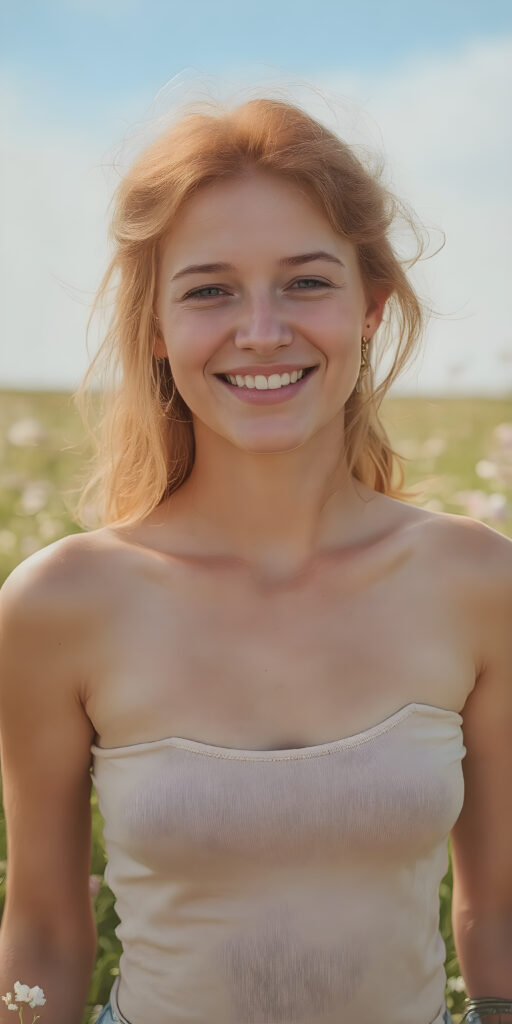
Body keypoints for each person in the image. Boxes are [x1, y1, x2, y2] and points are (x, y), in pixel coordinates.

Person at [0, 95, 511, 1024]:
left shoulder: (479, 584)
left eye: (307, 282)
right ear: (155, 328)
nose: (263, 331)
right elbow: (40, 932)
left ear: (371, 308)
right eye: (209, 290)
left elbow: (502, 911)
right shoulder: (59, 603)